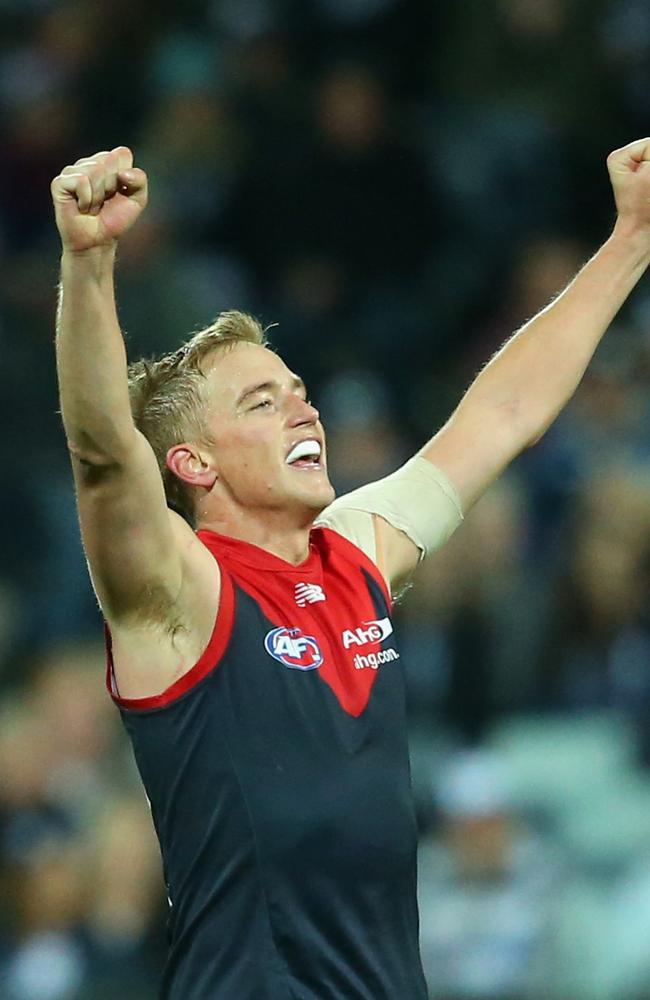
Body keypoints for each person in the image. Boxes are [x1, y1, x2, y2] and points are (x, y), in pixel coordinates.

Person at [51, 139, 650, 999]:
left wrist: (631, 236)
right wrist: (90, 260)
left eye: (298, 389)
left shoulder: (353, 554)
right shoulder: (179, 591)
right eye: (264, 402)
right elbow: (105, 452)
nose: (305, 407)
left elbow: (507, 410)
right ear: (192, 464)